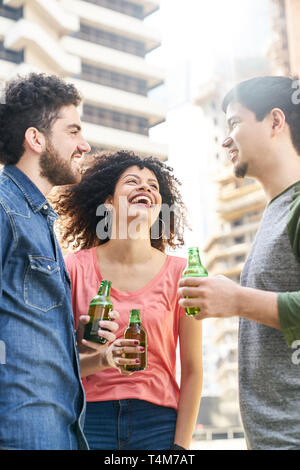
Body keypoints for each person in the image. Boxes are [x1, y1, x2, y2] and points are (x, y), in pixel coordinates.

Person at [178, 76, 300, 450]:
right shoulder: (275, 213)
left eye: (234, 122)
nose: (225, 138)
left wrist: (237, 301)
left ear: (275, 121)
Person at [53, 150, 203, 450]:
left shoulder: (181, 274)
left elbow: (193, 369)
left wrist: (180, 448)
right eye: (132, 182)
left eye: (153, 186)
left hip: (159, 424)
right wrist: (93, 351)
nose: (145, 188)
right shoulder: (72, 268)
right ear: (108, 203)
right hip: (87, 419)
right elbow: (55, 365)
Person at [0, 72, 119, 450]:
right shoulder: (4, 210)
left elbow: (23, 334)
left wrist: (77, 340)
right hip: (20, 433)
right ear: (35, 139)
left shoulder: (39, 219)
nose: (85, 145)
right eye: (73, 131)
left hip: (59, 430)